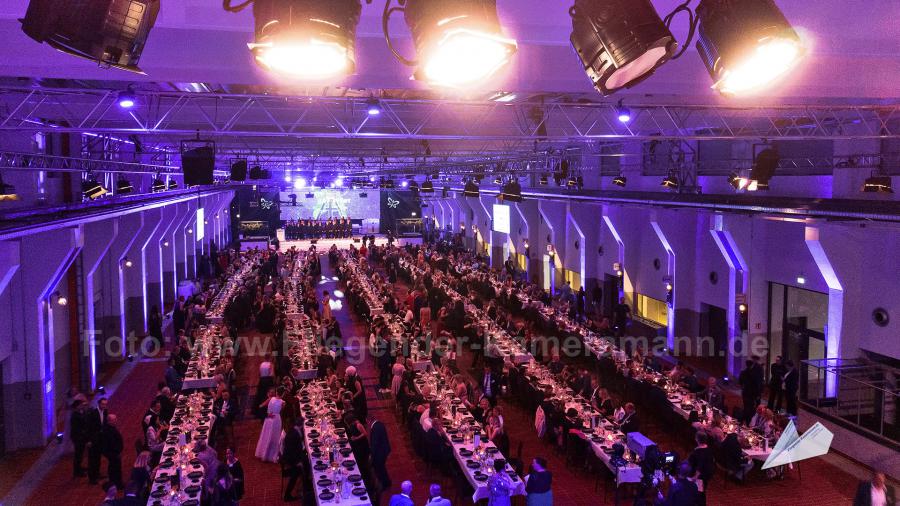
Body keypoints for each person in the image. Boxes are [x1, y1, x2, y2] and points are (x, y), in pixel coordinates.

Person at [254, 387, 284, 462]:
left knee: (266, 435)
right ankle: (272, 454)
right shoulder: (283, 402)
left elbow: (260, 406)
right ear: (283, 394)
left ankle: (263, 453)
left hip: (269, 419)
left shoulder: (270, 399)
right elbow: (281, 411)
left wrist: (267, 413)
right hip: (276, 419)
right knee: (275, 437)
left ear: (276, 392)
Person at [687, 431, 715, 506]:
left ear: (697, 439)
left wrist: (695, 477)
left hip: (699, 477)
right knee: (701, 492)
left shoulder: (699, 453)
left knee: (699, 493)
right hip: (705, 476)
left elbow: (700, 466)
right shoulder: (708, 449)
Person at [86, 398, 108, 484]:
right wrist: (88, 440)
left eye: (106, 404)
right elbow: (88, 428)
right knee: (92, 459)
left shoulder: (105, 412)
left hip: (100, 439)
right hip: (93, 439)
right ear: (99, 404)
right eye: (103, 404)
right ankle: (92, 478)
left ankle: (97, 473)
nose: (104, 406)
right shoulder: (93, 413)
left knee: (98, 457)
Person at [369, 416, 392, 489]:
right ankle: (386, 482)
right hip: (383, 449)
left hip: (381, 451)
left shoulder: (375, 428)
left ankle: (385, 483)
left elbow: (375, 443)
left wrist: (372, 454)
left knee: (379, 467)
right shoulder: (379, 424)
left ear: (369, 421)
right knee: (381, 467)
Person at [102, 414, 124, 489]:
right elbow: (112, 443)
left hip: (114, 452)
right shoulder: (108, 430)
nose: (116, 421)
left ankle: (117, 482)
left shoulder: (111, 428)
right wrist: (117, 452)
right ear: (109, 421)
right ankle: (117, 483)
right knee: (115, 468)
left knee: (115, 467)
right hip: (113, 453)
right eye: (114, 420)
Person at [71, 398, 88, 477]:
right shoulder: (75, 415)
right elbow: (83, 422)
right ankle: (76, 471)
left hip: (79, 436)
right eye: (81, 405)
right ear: (77, 406)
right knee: (78, 454)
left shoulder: (78, 413)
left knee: (80, 454)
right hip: (78, 437)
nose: (82, 406)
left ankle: (79, 467)